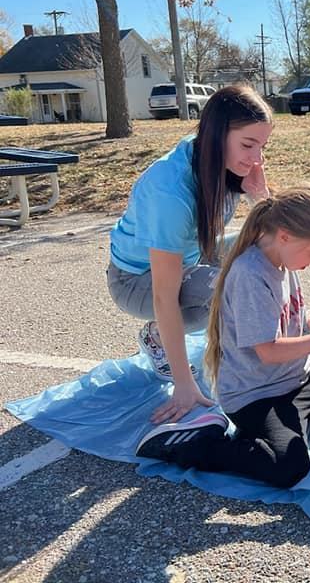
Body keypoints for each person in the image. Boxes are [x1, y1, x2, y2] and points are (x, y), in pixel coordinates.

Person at [135, 184, 310, 488]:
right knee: (289, 468)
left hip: (300, 377)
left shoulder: (284, 257)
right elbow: (269, 351)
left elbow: (278, 322)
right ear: (285, 235)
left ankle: (270, 430)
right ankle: (197, 442)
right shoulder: (250, 273)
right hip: (258, 395)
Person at [107, 85, 273, 425]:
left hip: (193, 254)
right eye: (247, 144)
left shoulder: (224, 161)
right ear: (216, 135)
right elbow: (163, 295)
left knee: (268, 247)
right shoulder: (170, 192)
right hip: (136, 280)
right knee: (228, 288)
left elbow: (278, 233)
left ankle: (270, 348)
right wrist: (183, 386)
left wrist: (260, 194)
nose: (256, 158)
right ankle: (161, 338)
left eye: (262, 146)